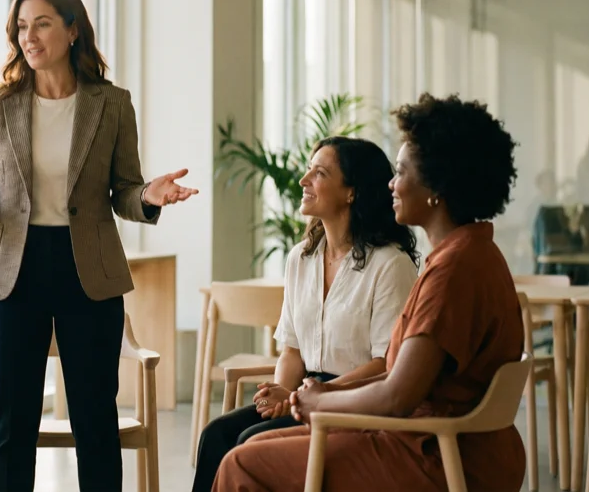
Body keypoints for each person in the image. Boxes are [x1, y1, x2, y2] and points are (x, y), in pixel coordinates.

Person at [0, 0, 198, 492]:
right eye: (21, 26)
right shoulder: (0, 104)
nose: (29, 36)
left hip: (90, 270)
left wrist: (150, 195)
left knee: (94, 417)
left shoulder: (111, 103)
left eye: (41, 23)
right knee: (15, 419)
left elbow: (123, 191)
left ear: (72, 28)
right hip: (16, 269)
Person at [214, 93, 525, 492]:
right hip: (439, 441)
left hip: (434, 455)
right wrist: (316, 393)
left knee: (244, 463)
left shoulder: (453, 271)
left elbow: (397, 394)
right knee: (250, 444)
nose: (391, 185)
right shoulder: (471, 253)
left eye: (401, 172)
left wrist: (320, 401)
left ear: (436, 185)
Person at [192, 136, 419, 492]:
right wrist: (284, 390)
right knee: (215, 435)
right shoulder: (301, 258)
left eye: (320, 173)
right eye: (309, 170)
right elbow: (292, 351)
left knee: (248, 441)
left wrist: (313, 394)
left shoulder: (390, 264)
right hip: (306, 393)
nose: (304, 180)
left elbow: (385, 364)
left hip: (355, 400)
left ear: (351, 193)